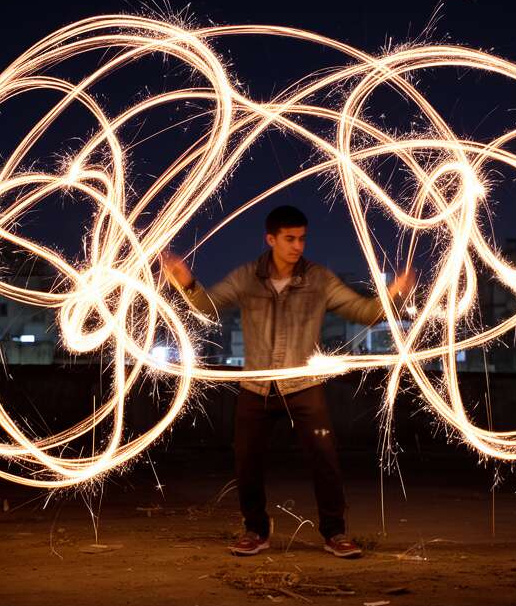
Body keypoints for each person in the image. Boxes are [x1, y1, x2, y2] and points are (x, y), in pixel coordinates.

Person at [160, 205, 414, 558]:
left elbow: (365, 313)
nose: (298, 246)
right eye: (290, 239)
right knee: (246, 460)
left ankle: (334, 533)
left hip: (303, 386)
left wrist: (395, 293)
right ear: (271, 239)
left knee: (324, 458)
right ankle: (255, 530)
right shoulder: (248, 276)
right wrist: (186, 282)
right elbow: (208, 308)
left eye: (303, 239)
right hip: (257, 387)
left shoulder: (319, 279)